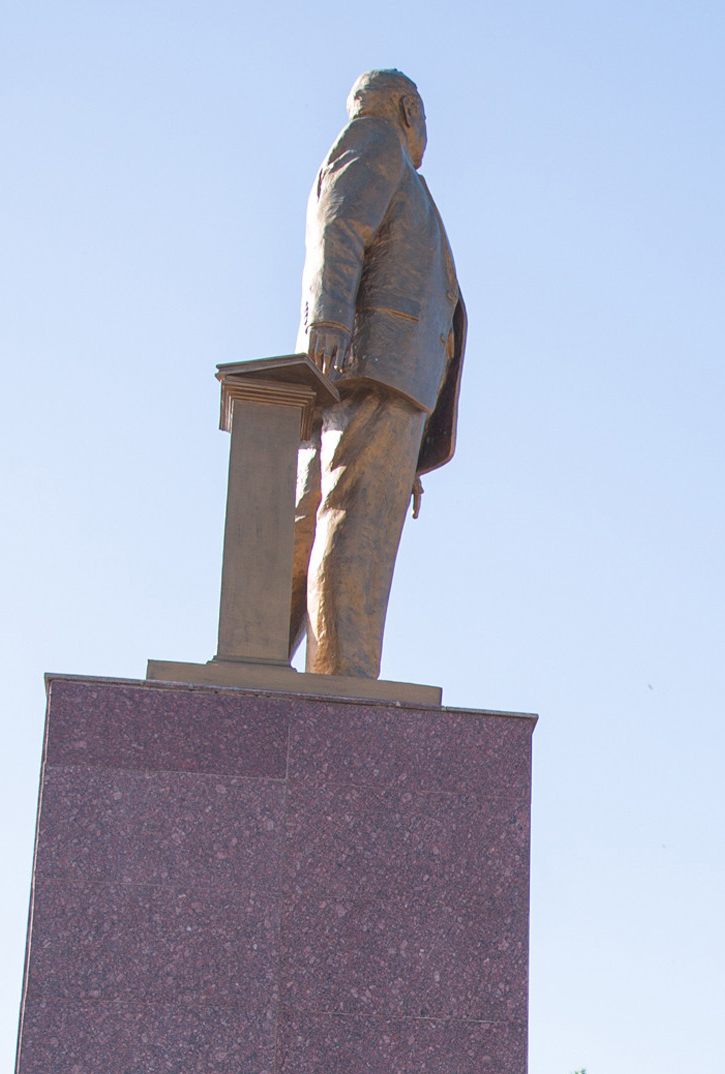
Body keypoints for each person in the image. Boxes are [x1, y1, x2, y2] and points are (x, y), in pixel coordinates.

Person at [293, 68, 467, 678]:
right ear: (409, 108)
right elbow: (342, 222)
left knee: (314, 519)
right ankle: (345, 681)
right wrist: (330, 320)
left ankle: (263, 657)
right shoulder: (375, 139)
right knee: (352, 521)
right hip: (372, 367)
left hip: (372, 374)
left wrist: (409, 452)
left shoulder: (384, 155)